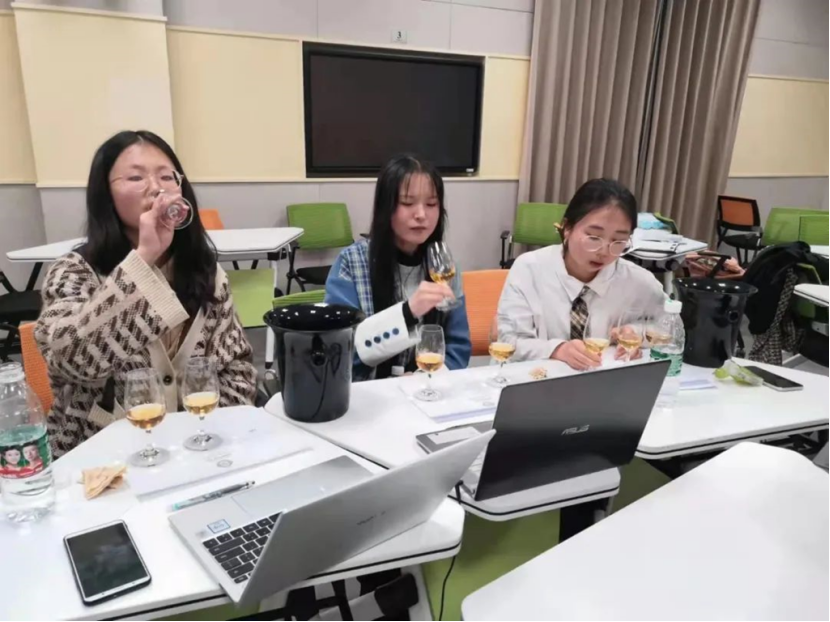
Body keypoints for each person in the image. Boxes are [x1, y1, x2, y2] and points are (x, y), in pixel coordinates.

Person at [35, 130, 257, 458]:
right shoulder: (74, 271)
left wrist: (218, 441)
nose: (156, 188)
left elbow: (235, 365)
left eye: (167, 176)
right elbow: (73, 361)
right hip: (101, 456)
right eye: (136, 177)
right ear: (105, 194)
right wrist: (143, 258)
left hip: (194, 453)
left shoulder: (205, 272)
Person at [325, 155, 471, 381]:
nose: (421, 215)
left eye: (431, 204)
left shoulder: (443, 266)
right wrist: (408, 312)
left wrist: (423, 378)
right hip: (367, 392)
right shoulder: (352, 263)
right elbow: (339, 350)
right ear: (386, 207)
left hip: (425, 391)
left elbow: (458, 347)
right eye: (407, 203)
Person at [498, 178, 665, 371]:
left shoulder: (638, 282)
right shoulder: (529, 269)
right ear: (567, 228)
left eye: (619, 241)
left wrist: (637, 334)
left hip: (604, 380)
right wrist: (556, 349)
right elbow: (508, 339)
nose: (604, 251)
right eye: (594, 237)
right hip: (536, 379)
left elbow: (669, 327)